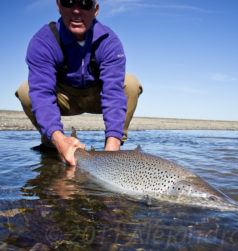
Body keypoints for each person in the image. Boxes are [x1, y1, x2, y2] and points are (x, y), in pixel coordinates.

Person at [15, 0, 143, 166]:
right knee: (26, 90)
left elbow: (113, 94)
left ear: (95, 10)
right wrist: (58, 137)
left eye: (85, 3)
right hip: (64, 99)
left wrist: (111, 154)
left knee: (130, 83)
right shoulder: (43, 41)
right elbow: (42, 94)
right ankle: (52, 144)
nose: (76, 11)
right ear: (58, 6)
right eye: (68, 2)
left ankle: (115, 144)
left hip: (97, 96)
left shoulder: (109, 41)